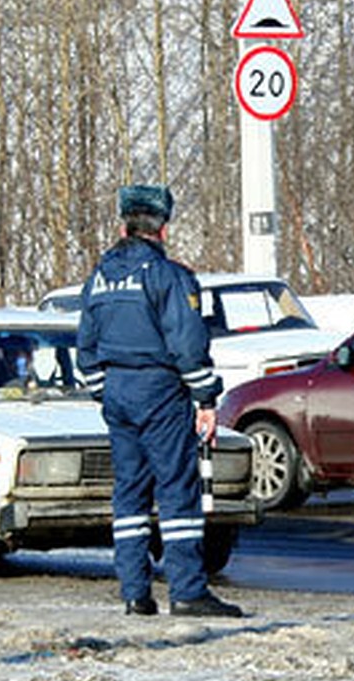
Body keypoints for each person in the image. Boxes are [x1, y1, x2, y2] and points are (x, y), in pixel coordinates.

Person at [77, 183, 244, 618]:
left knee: (129, 493)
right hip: (159, 390)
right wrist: (206, 398)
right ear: (163, 228)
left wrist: (105, 392)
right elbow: (187, 344)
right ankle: (188, 591)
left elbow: (86, 348)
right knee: (176, 490)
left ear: (123, 224)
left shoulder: (99, 276)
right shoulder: (168, 276)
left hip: (117, 390)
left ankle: (135, 593)